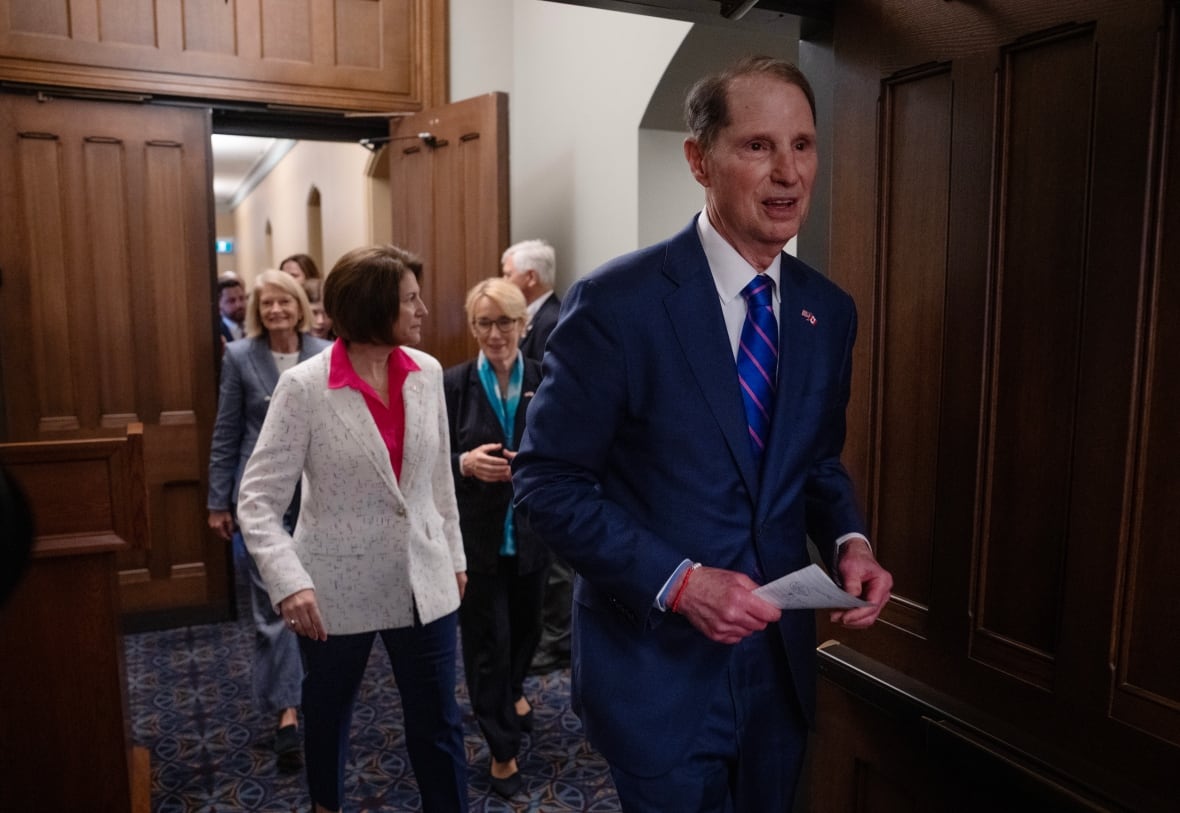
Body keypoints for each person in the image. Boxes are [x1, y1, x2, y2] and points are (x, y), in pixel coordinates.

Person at [512, 56, 893, 812]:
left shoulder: (828, 310)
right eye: (758, 146)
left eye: (803, 145)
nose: (789, 172)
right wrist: (680, 582)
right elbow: (545, 484)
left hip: (777, 670)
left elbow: (816, 461)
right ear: (699, 160)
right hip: (655, 670)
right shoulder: (617, 303)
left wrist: (850, 539)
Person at [236, 245, 469, 813]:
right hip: (331, 589)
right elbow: (258, 500)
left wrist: (456, 558)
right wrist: (289, 582)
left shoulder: (427, 372)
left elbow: (438, 481)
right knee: (328, 712)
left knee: (439, 721)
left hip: (424, 576)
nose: (422, 310)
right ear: (372, 308)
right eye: (409, 299)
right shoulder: (304, 387)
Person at [208, 269, 331, 772]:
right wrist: (218, 501)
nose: (276, 310)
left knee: (317, 596)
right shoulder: (240, 357)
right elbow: (226, 431)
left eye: (284, 301)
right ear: (257, 311)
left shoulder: (326, 352)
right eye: (267, 304)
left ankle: (316, 687)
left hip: (317, 493)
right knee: (276, 602)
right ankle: (287, 713)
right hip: (262, 498)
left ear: (300, 306)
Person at [443, 278, 549, 799]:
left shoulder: (548, 379)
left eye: (504, 321)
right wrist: (464, 462)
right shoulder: (453, 384)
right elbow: (426, 460)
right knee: (487, 644)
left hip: (533, 534)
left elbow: (572, 448)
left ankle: (513, 689)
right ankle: (502, 748)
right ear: (473, 327)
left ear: (522, 325)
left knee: (528, 630)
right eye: (484, 323)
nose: (494, 333)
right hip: (477, 540)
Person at [500, 238, 571, 674]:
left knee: (556, 559)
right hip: (531, 454)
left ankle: (559, 642)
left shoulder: (555, 320)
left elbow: (552, 394)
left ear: (529, 277)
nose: (502, 279)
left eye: (506, 272)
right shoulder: (533, 318)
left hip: (553, 457)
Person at [500, 239, 560, 363]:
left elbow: (544, 372)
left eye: (508, 275)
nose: (503, 282)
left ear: (531, 277)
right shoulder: (528, 315)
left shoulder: (551, 322)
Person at [217, 274, 248, 346]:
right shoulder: (216, 333)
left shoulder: (256, 327)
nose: (239, 305)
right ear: (219, 304)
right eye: (231, 301)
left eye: (242, 298)